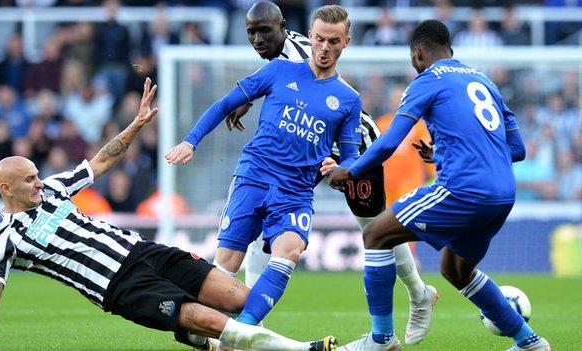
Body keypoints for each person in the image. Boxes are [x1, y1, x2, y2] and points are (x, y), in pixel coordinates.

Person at [0, 78, 336, 351]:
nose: (39, 182)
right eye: (29, 179)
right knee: (205, 317)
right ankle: (303, 348)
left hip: (143, 251)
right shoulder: (6, 238)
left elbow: (100, 161)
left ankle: (197, 338)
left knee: (240, 299)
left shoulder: (54, 187)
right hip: (119, 286)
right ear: (6, 189)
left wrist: (136, 124)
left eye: (37, 175)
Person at [325, 20, 551, 351]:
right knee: (456, 269)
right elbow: (517, 150)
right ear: (451, 51)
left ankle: (381, 339)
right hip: (503, 195)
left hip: (463, 189)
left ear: (417, 54)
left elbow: (388, 144)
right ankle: (529, 342)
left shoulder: (427, 80)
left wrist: (351, 171)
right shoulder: (485, 81)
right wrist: (449, 150)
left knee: (375, 234)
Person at [225, 1, 436, 345]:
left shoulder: (306, 49)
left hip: (356, 150)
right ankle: (246, 322)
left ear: (283, 29)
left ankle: (418, 291)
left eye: (264, 32)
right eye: (252, 33)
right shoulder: (281, 56)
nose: (257, 40)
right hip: (308, 149)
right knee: (265, 226)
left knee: (375, 229)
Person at [166, 4, 362, 332]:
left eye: (333, 41)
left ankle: (242, 331)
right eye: (319, 39)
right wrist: (191, 141)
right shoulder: (279, 71)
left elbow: (353, 155)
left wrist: (342, 166)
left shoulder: (348, 99)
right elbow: (225, 104)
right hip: (254, 177)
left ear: (346, 43)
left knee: (290, 251)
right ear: (309, 37)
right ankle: (203, 331)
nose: (325, 48)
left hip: (295, 191)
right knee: (225, 265)